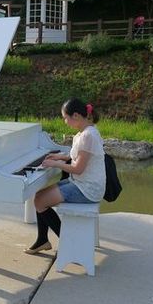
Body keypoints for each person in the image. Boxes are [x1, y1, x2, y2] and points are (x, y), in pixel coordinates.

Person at [24, 98, 106, 255]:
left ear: (75, 115)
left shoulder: (88, 136)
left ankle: (71, 245)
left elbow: (78, 169)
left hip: (87, 189)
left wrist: (55, 164)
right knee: (39, 196)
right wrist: (61, 157)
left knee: (40, 201)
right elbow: (79, 157)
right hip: (81, 183)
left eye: (65, 118)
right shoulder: (86, 132)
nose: (65, 122)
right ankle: (43, 240)